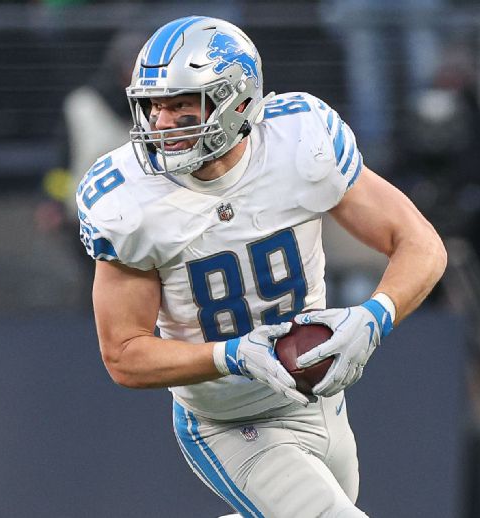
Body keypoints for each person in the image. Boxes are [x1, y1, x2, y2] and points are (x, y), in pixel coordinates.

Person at [78, 16, 446, 517]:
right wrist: (231, 354)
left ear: (240, 102)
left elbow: (420, 242)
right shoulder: (130, 200)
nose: (161, 124)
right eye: (152, 106)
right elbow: (123, 354)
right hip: (228, 422)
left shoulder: (299, 141)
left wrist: (375, 316)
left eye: (182, 105)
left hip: (321, 398)